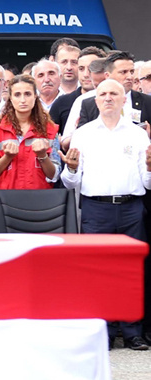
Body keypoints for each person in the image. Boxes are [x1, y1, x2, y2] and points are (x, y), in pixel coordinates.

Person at [60, 79, 151, 351]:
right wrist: (73, 169)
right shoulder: (84, 133)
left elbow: (147, 183)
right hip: (95, 209)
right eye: (103, 94)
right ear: (95, 101)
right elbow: (70, 183)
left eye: (114, 93)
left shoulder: (138, 135)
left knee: (131, 272)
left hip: (132, 209)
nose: (108, 98)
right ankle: (105, 332)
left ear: (125, 100)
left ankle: (133, 332)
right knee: (98, 272)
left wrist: (150, 166)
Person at [0, 75, 60, 195]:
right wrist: (7, 157)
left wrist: (42, 156)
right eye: (17, 95)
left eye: (27, 94)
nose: (23, 100)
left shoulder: (50, 130)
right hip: (4, 200)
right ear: (10, 98)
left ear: (35, 96)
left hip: (40, 201)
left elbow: (54, 175)